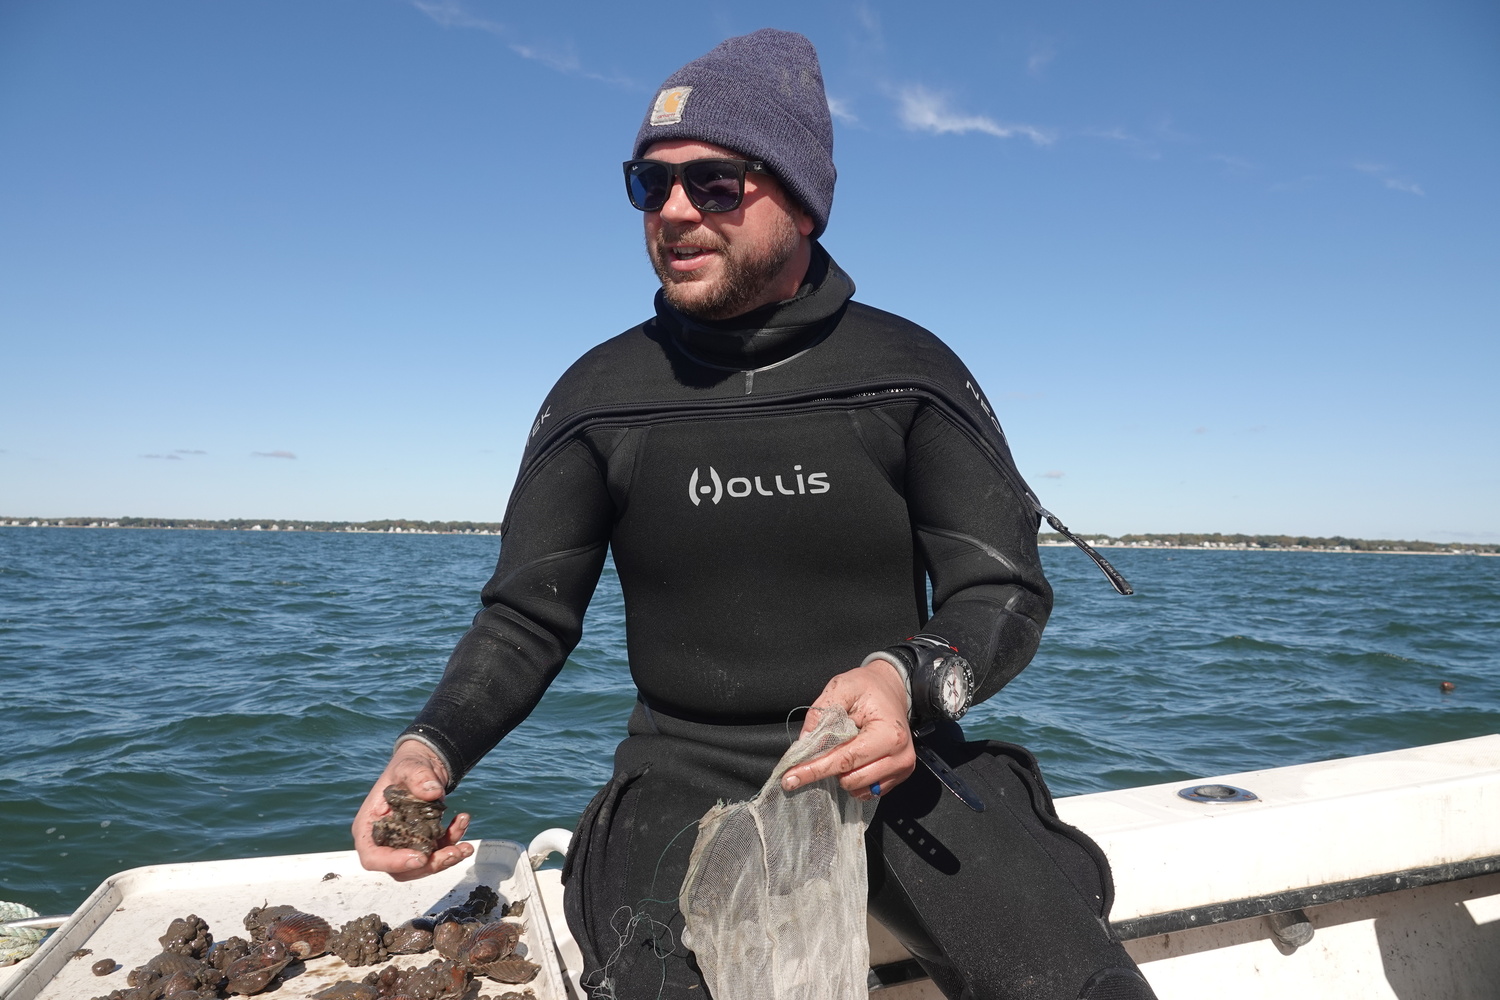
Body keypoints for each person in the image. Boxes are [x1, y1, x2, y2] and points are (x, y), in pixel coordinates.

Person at [353, 28, 1155, 1000]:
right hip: (678, 779)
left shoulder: (906, 375)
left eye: (717, 183)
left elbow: (1002, 591)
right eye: (651, 186)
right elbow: (527, 616)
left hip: (891, 763)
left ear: (804, 199)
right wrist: (428, 747)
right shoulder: (601, 395)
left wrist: (902, 681)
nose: (676, 211)